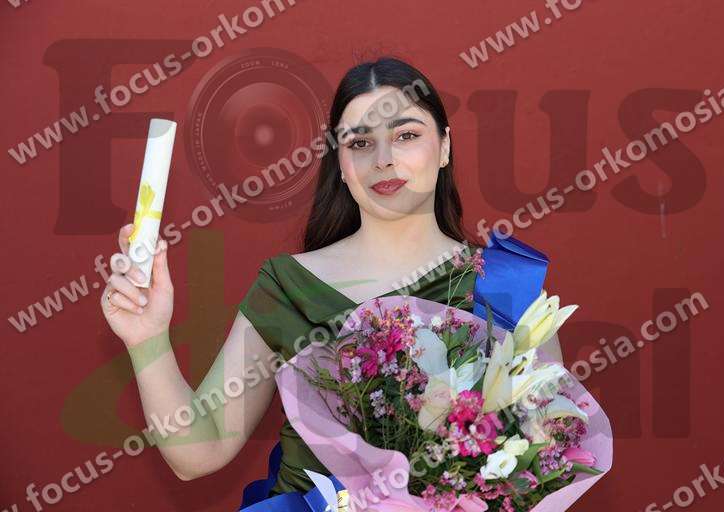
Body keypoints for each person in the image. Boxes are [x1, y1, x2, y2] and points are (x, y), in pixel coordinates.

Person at [99, 56, 562, 507]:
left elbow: (549, 461)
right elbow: (198, 453)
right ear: (339, 163)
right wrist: (147, 339)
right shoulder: (288, 286)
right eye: (359, 142)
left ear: (444, 147)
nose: (383, 159)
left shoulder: (505, 286)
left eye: (406, 135)